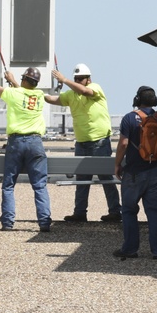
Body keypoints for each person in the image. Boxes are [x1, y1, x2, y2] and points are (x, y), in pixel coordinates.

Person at [0, 61, 52, 232]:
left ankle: (8, 223)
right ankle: (44, 222)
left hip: (16, 142)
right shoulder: (38, 95)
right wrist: (14, 81)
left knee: (8, 185)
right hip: (36, 143)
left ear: (24, 80)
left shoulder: (13, 94)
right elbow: (23, 93)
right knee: (39, 185)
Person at [45, 63, 120, 223]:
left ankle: (115, 211)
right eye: (76, 79)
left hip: (99, 141)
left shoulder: (95, 88)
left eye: (81, 79)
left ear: (88, 79)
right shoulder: (71, 94)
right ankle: (80, 213)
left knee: (106, 178)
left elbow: (86, 91)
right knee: (82, 179)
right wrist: (36, 93)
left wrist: (64, 80)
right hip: (82, 143)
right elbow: (53, 99)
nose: (78, 81)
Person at [112, 86, 157, 259]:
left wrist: (117, 164)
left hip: (134, 173)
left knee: (128, 211)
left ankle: (130, 249)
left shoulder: (129, 118)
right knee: (156, 212)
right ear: (155, 102)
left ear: (137, 100)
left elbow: (124, 143)